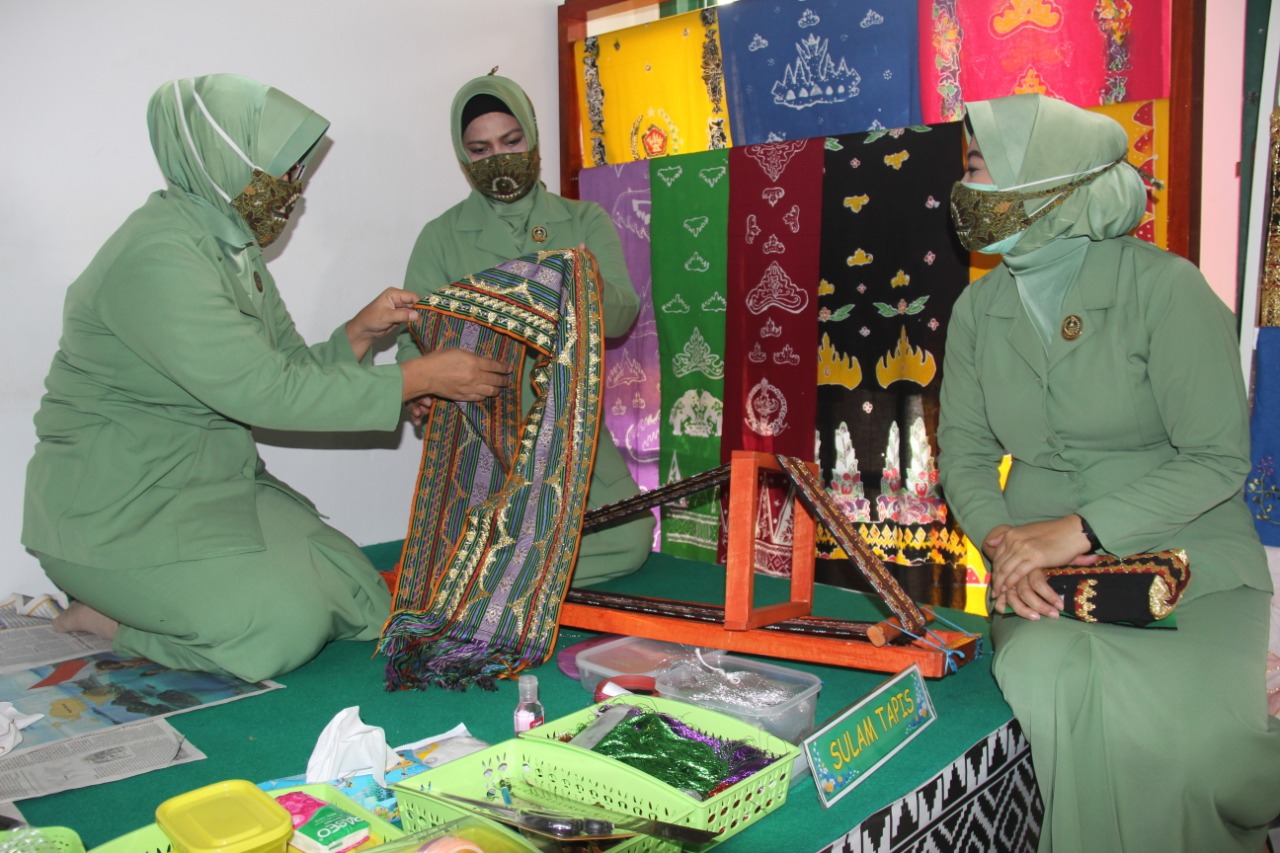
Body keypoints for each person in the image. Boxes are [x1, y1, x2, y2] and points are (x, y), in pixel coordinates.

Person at [23, 74, 511, 683]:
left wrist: (359, 333)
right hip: (118, 510)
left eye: (296, 172)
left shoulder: (229, 245)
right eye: (279, 171)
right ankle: (108, 622)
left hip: (210, 489)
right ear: (222, 158)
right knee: (282, 630)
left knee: (358, 594)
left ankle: (186, 600)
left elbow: (285, 370)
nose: (292, 188)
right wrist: (415, 378)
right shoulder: (158, 257)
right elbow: (266, 393)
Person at [937, 94, 1280, 852]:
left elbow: (1218, 457)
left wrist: (1079, 531)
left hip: (1190, 555)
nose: (965, 189)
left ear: (1045, 180)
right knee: (1048, 676)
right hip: (1041, 577)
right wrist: (1005, 545)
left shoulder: (1165, 288)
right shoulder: (976, 312)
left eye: (979, 167)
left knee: (1202, 753)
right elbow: (962, 451)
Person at [400, 72, 655, 586]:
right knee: (484, 535)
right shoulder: (441, 236)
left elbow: (622, 316)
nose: (498, 158)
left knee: (627, 538)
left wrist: (581, 280)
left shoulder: (583, 221)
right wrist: (419, 386)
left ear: (533, 136)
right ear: (463, 156)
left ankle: (491, 579)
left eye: (511, 141)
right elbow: (415, 334)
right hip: (482, 435)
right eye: (480, 150)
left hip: (569, 429)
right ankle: (497, 572)